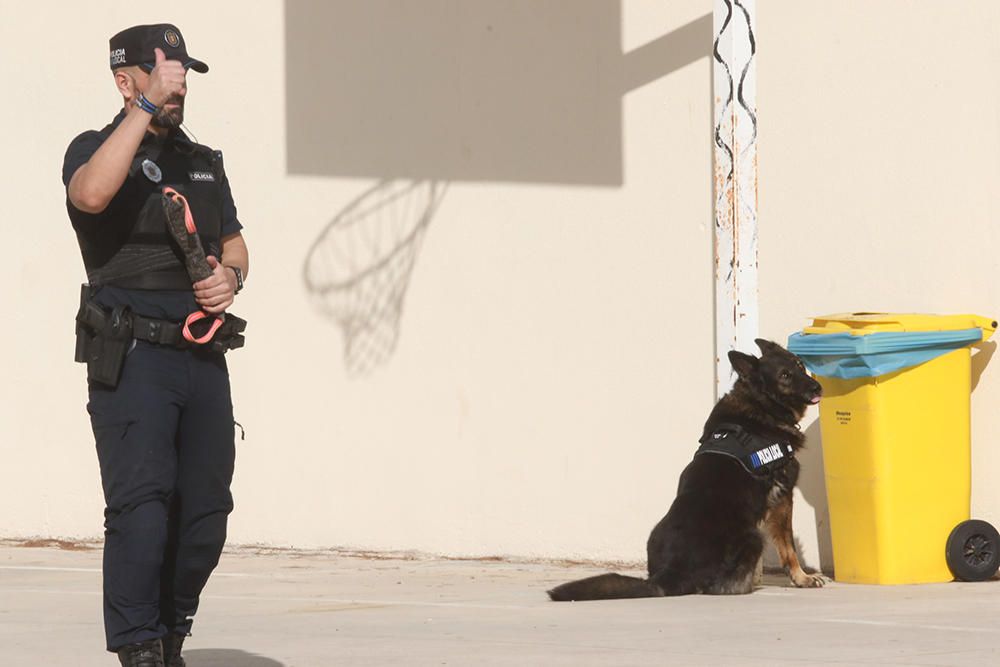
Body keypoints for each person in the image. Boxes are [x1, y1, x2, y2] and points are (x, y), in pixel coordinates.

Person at [62, 23, 248, 667]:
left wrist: (233, 275)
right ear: (125, 80)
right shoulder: (94, 149)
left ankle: (172, 632)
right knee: (141, 510)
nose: (178, 86)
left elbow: (234, 243)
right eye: (162, 71)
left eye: (183, 73)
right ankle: (138, 647)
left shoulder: (203, 160)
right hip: (134, 357)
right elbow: (91, 194)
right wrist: (142, 113)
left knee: (205, 510)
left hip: (201, 357)